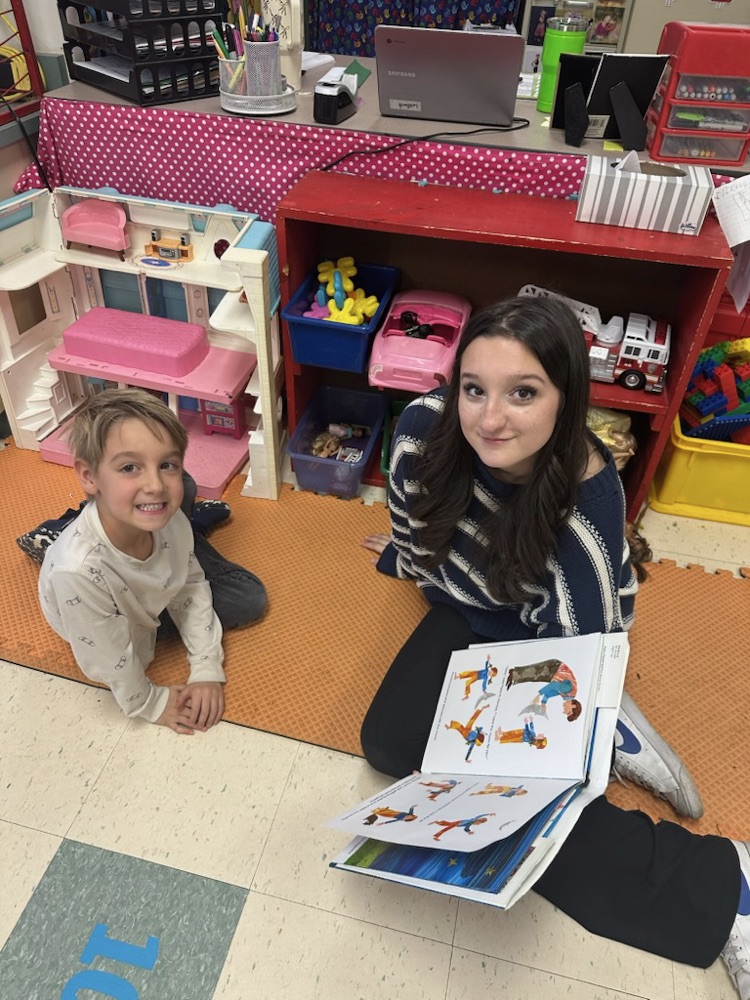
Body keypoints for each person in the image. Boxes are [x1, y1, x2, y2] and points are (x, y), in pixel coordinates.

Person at [359, 296, 749, 995]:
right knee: (390, 746)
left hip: (548, 635)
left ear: (565, 401)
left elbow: (585, 645)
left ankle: (725, 885)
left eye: (524, 393)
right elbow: (413, 532)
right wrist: (402, 561)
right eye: (474, 388)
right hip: (463, 603)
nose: (489, 417)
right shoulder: (424, 427)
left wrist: (563, 723)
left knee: (516, 789)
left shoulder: (583, 509)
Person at [34, 387, 267, 735]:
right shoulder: (78, 573)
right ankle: (58, 532)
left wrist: (205, 666)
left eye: (166, 463)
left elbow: (190, 582)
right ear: (88, 475)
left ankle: (183, 521)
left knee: (182, 488)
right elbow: (112, 660)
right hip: (105, 602)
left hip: (154, 537)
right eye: (129, 466)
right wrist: (148, 702)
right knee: (248, 596)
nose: (155, 484)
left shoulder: (163, 511)